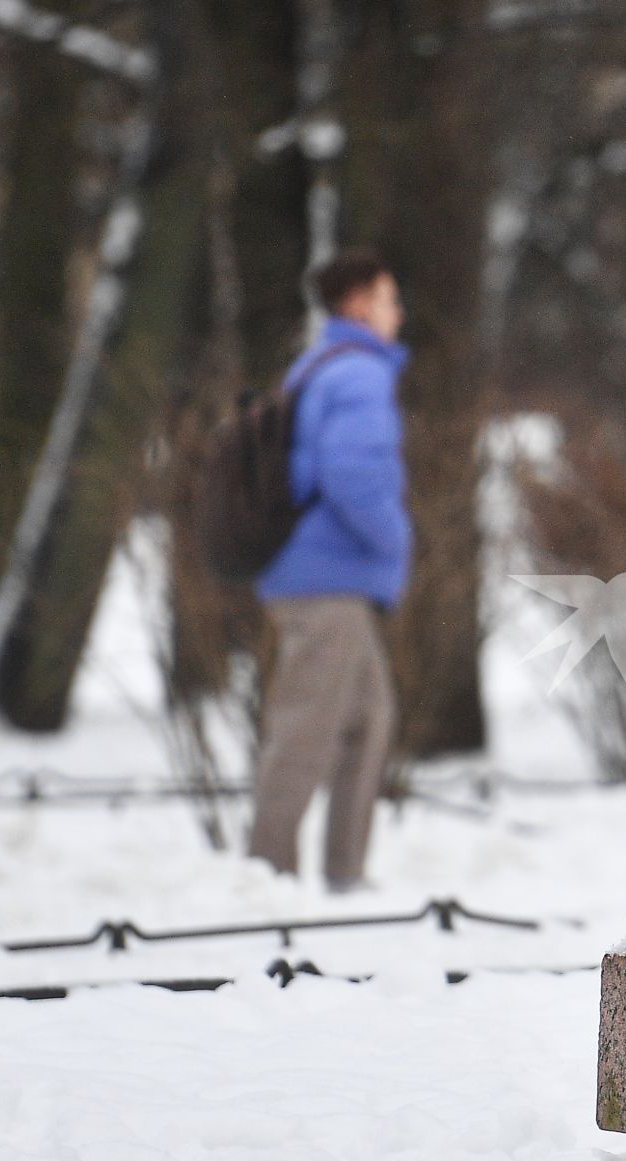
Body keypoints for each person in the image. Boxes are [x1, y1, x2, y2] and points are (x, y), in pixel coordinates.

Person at [247, 249, 412, 891]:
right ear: (359, 304)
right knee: (307, 727)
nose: (399, 313)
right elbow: (354, 476)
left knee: (368, 720)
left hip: (326, 576)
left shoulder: (321, 366)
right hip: (326, 581)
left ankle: (345, 874)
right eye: (390, 298)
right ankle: (267, 877)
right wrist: (396, 539)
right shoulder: (358, 376)